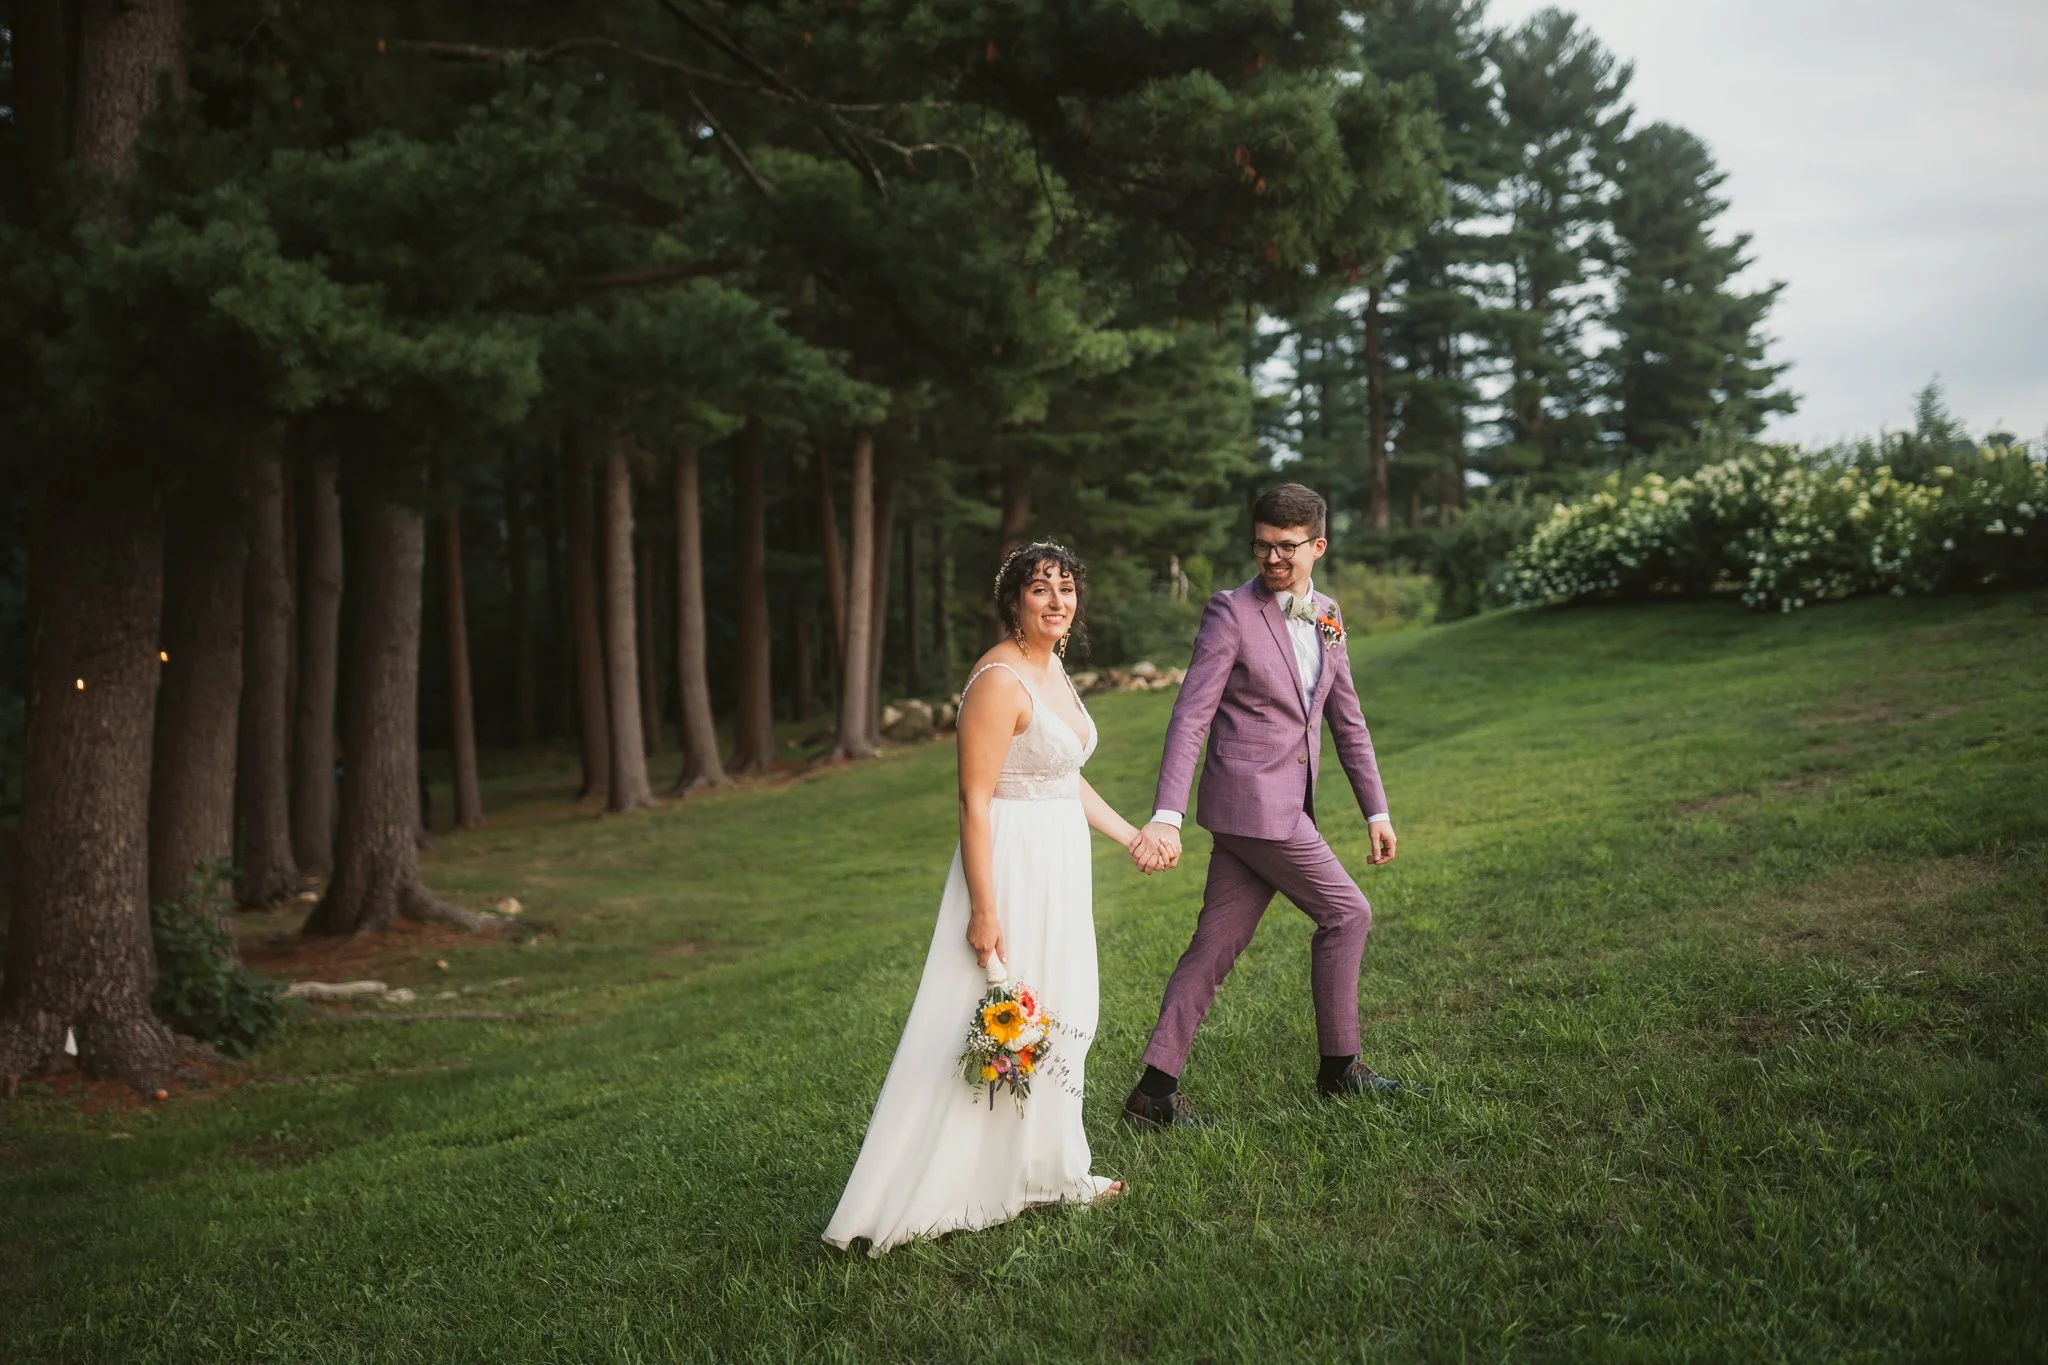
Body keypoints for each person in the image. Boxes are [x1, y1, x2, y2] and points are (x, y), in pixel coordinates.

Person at [824, 541, 1159, 1256]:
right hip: (1010, 863)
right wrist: (983, 909)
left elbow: (1061, 774)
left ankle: (1052, 1168)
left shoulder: (1053, 666)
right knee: (987, 1016)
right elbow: (973, 801)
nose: (1057, 601)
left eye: (1066, 588)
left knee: (1064, 1013)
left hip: (1061, 861)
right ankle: (946, 1184)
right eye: (1041, 589)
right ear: (1014, 601)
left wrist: (1130, 835)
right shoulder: (998, 680)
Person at [1124, 482, 1405, 1130]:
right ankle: (1340, 1070)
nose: (1272, 558)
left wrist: (1376, 810)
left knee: (1214, 945)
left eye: (1286, 547)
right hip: (1255, 806)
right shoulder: (1230, 612)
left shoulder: (1328, 614)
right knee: (1347, 913)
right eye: (1262, 545)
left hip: (1277, 807)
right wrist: (1167, 813)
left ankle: (1153, 1093)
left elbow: (1347, 720)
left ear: (1318, 546)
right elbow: (1191, 715)